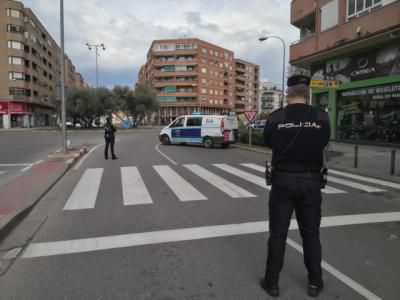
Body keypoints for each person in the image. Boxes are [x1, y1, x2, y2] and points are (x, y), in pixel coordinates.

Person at [260, 75, 331, 298]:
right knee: (310, 235)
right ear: (307, 93)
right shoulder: (321, 117)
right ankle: (315, 283)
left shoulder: (276, 117)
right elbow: (324, 142)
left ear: (289, 94)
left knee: (278, 234)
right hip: (311, 182)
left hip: (283, 182)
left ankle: (271, 283)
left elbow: (268, 142)